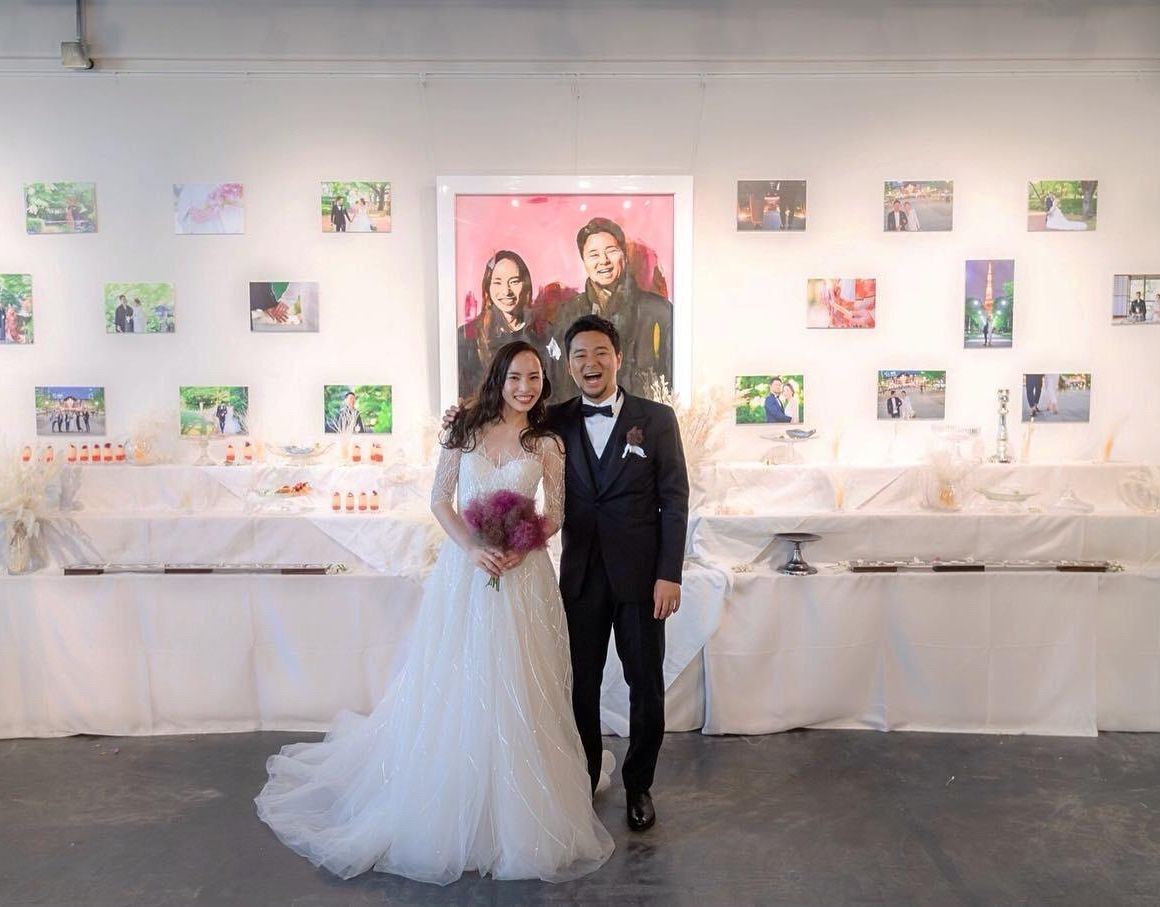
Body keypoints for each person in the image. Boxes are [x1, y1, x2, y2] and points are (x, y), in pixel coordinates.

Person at [256, 341, 614, 884]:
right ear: (498, 378)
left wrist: (520, 546)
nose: (525, 387)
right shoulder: (463, 429)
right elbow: (440, 499)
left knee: (521, 679)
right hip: (465, 572)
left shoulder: (546, 442)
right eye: (515, 377)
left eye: (535, 378)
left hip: (524, 577)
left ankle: (520, 803)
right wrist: (472, 547)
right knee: (461, 676)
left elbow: (557, 512)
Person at [549, 218, 673, 398]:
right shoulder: (568, 313)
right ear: (584, 261)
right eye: (594, 254)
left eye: (611, 251)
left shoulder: (658, 311)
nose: (604, 261)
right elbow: (560, 382)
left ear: (625, 255)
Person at [457, 251, 548, 399]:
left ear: (526, 284)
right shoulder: (467, 336)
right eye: (498, 282)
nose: (506, 291)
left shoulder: (545, 334)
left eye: (514, 281)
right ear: (488, 287)